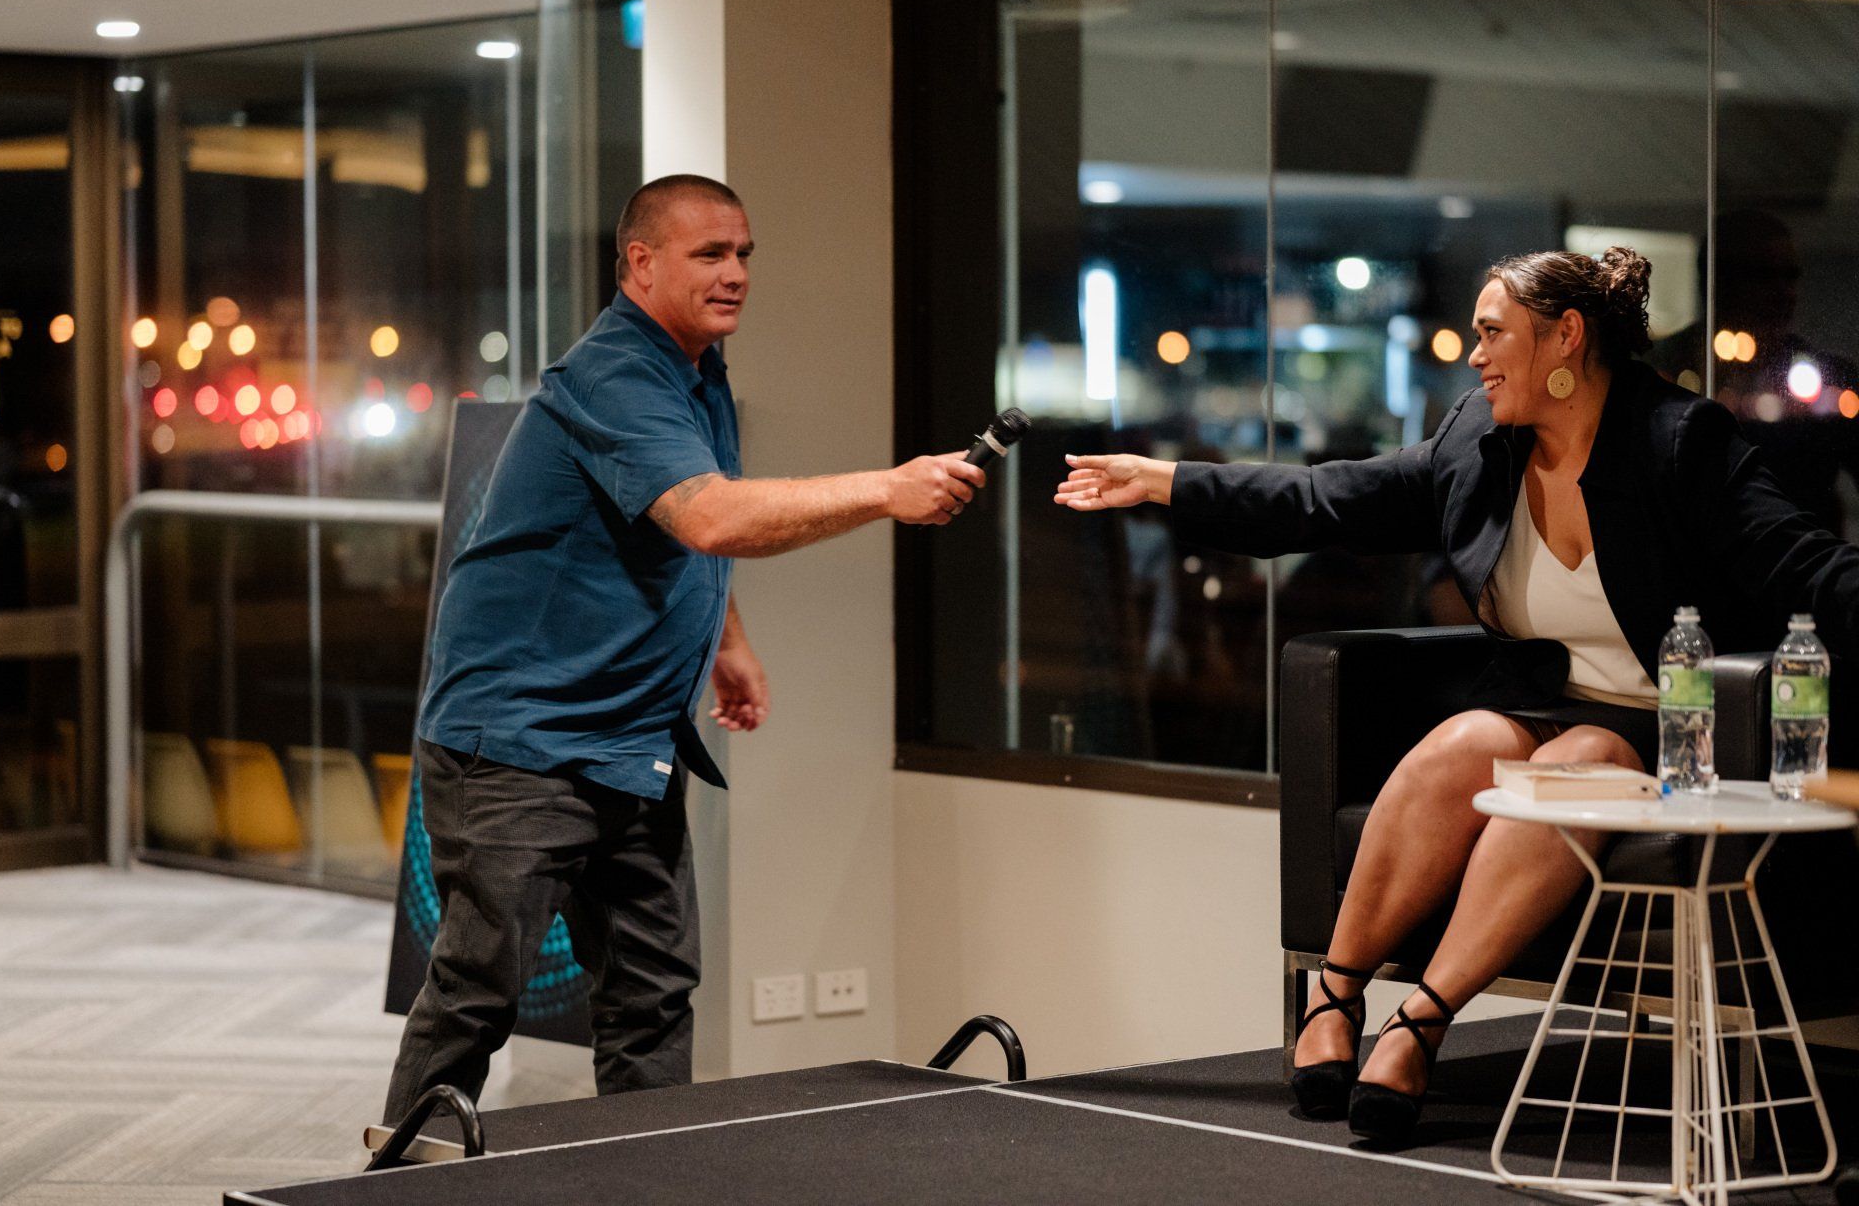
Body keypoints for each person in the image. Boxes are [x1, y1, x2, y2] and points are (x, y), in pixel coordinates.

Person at [1054, 246, 1859, 1144]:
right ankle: (1337, 990)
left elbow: (1810, 567)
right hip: (1538, 701)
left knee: (1580, 761)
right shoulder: (1479, 438)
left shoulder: (1679, 442)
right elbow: (1329, 500)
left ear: (1567, 337)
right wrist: (1164, 481)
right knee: (1459, 744)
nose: (1473, 355)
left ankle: (1422, 1022)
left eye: (1491, 334)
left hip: (1671, 729)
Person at [383, 174, 986, 1122]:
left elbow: (672, 520)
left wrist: (725, 641)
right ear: (641, 263)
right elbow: (709, 517)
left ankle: (645, 1177)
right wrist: (886, 489)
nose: (737, 272)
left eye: (745, 253)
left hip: (629, 744)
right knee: (476, 995)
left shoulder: (695, 373)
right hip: (519, 743)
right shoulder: (614, 374)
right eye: (711, 253)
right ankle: (391, 1186)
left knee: (653, 994)